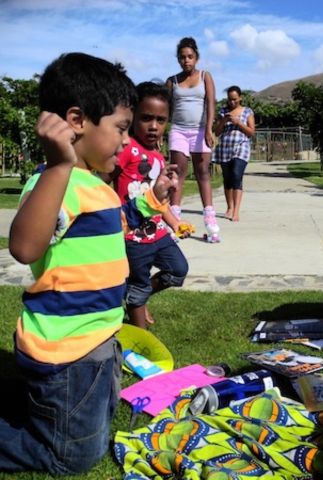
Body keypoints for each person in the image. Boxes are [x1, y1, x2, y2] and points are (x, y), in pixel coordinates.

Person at [0, 52, 176, 474]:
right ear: (77, 121)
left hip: (95, 343)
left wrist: (157, 200)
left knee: (92, 422)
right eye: (119, 128)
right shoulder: (57, 182)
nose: (124, 140)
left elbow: (113, 230)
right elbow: (25, 247)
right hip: (67, 354)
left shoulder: (95, 186)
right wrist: (59, 163)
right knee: (73, 455)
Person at [109, 81, 189, 329]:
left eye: (161, 120)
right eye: (146, 118)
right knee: (139, 285)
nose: (154, 126)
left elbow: (159, 199)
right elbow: (104, 179)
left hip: (158, 233)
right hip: (133, 237)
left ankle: (136, 300)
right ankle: (139, 339)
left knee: (178, 270)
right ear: (133, 116)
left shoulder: (157, 155)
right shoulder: (126, 148)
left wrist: (175, 223)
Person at [166, 36, 219, 236]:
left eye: (190, 56)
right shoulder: (172, 81)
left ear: (196, 57)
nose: (186, 60)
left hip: (200, 130)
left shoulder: (205, 76)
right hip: (178, 130)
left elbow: (211, 104)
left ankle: (210, 217)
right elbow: (167, 108)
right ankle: (175, 219)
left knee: (202, 172)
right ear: (178, 59)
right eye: (182, 57)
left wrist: (208, 129)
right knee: (177, 173)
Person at [213, 85, 255, 222]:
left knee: (237, 175)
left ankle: (236, 211)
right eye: (230, 99)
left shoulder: (247, 111)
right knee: (227, 178)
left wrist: (238, 123)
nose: (232, 102)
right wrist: (223, 121)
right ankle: (229, 207)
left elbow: (251, 132)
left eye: (235, 99)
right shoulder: (223, 112)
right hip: (225, 148)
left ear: (240, 98)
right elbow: (217, 132)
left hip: (241, 147)